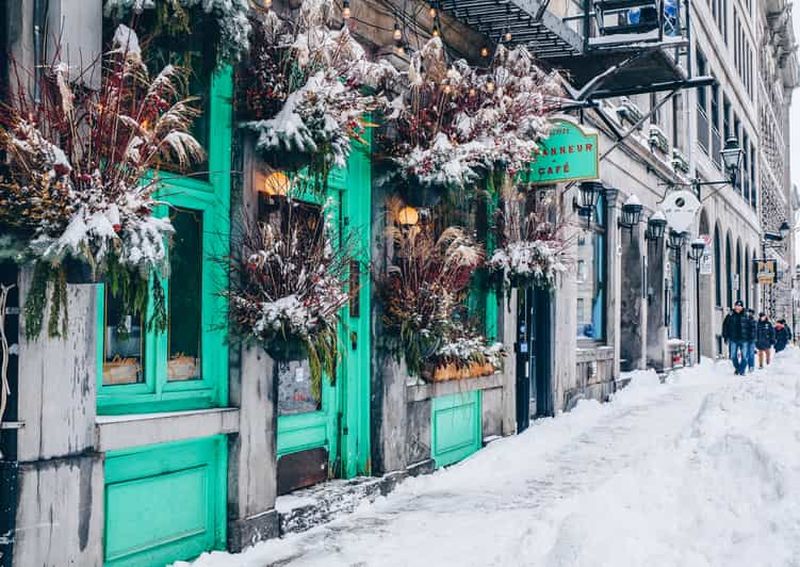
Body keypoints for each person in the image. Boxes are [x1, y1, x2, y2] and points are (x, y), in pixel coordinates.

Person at [721, 300, 749, 375]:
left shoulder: (747, 315)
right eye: (737, 306)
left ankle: (741, 370)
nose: (738, 307)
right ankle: (737, 368)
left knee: (745, 356)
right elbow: (725, 326)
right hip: (733, 339)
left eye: (739, 306)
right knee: (733, 356)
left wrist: (752, 338)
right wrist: (725, 336)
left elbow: (751, 327)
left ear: (742, 307)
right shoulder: (730, 315)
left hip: (744, 339)